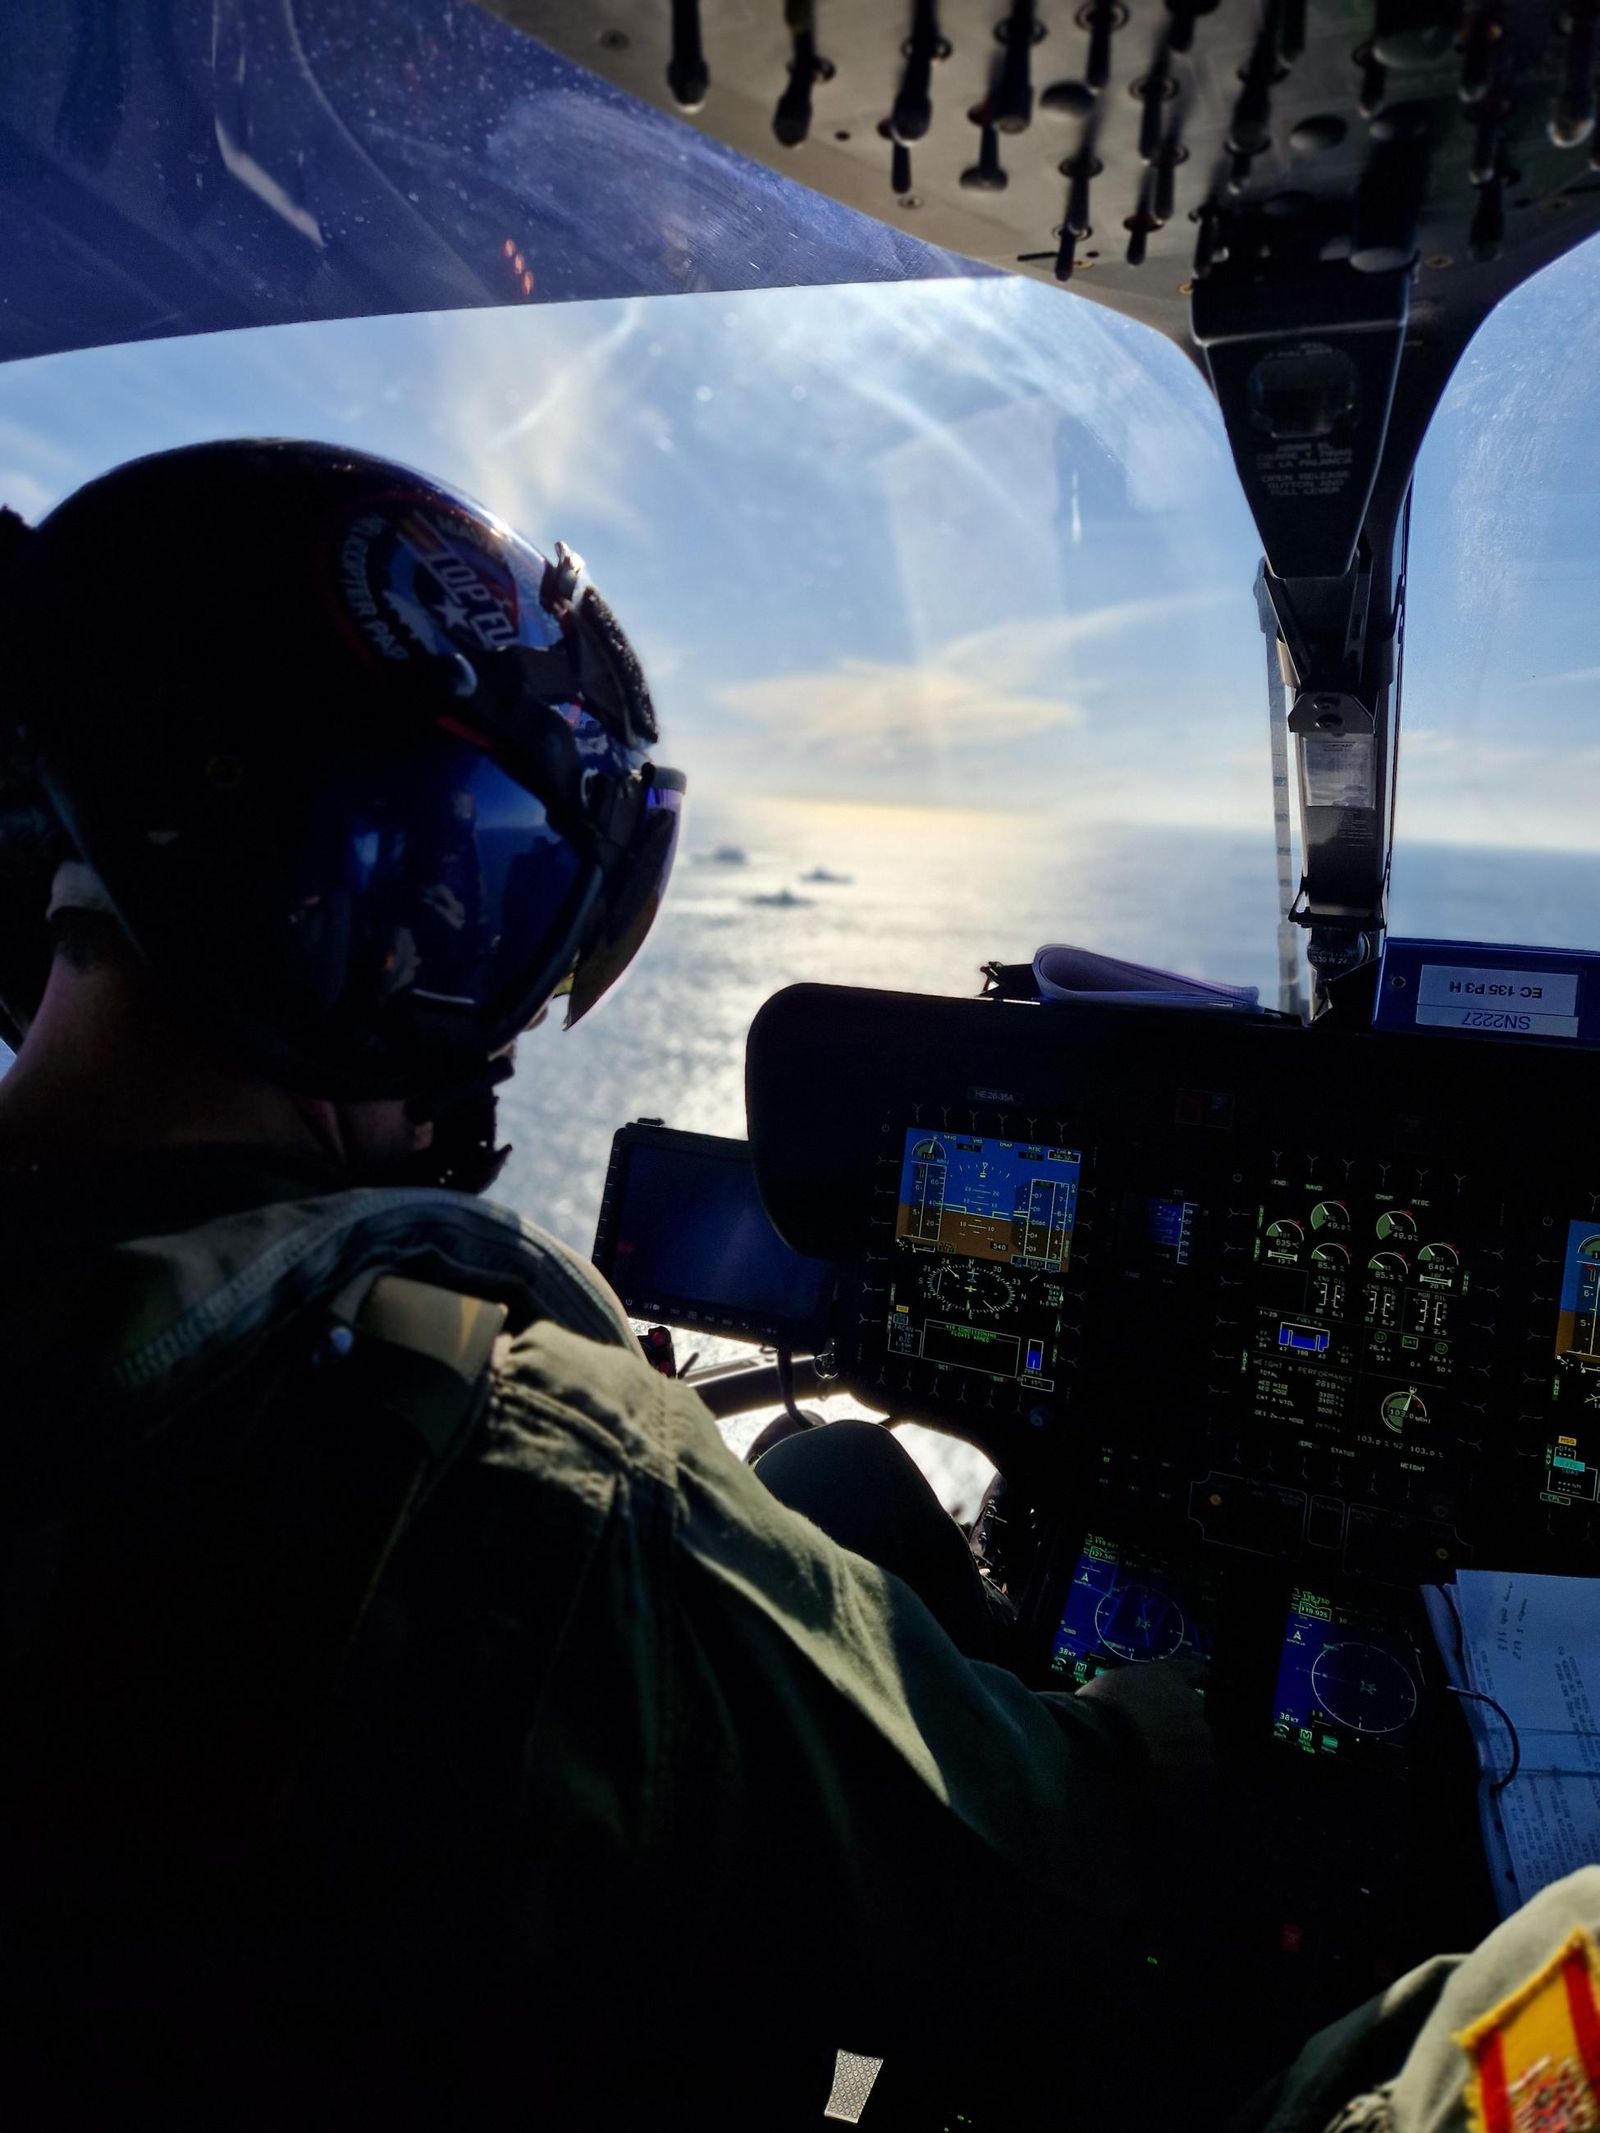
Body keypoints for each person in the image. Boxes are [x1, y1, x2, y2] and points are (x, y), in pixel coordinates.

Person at [0, 439, 1213, 2129]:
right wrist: (1242, 1681)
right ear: (400, 905)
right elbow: (1072, 1858)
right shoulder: (505, 1465)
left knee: (839, 1474)